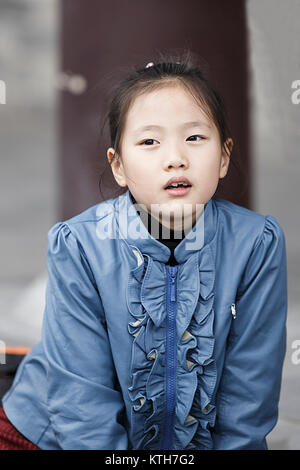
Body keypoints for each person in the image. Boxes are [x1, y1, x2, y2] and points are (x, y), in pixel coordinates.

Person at [0, 51, 287, 450]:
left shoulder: (256, 244)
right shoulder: (81, 245)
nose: (175, 159)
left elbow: (251, 389)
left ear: (224, 156)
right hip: (50, 437)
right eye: (149, 141)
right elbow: (81, 405)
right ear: (118, 166)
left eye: (195, 138)